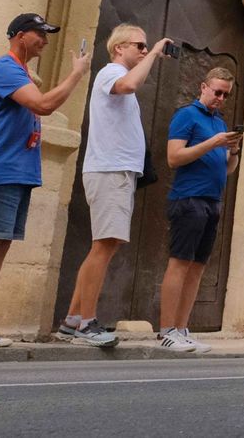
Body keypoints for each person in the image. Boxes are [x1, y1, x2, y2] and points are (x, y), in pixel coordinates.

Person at [0, 13, 88, 352]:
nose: (45, 40)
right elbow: (44, 105)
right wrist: (76, 74)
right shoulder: (5, 69)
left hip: (16, 170)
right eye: (40, 33)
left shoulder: (20, 72)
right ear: (20, 35)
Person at [59, 24, 169, 347]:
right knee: (104, 245)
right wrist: (158, 50)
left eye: (147, 46)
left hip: (118, 171)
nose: (145, 50)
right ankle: (87, 324)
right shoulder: (110, 73)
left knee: (105, 245)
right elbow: (130, 85)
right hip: (110, 170)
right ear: (119, 48)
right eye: (140, 45)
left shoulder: (116, 73)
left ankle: (73, 319)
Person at [158, 67, 243, 354]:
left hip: (212, 200)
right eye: (217, 91)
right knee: (180, 262)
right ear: (203, 87)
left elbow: (228, 170)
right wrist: (213, 143)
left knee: (197, 268)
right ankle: (167, 330)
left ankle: (182, 328)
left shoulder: (219, 123)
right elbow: (174, 157)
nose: (220, 98)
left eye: (225, 94)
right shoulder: (186, 116)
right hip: (188, 198)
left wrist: (233, 151)